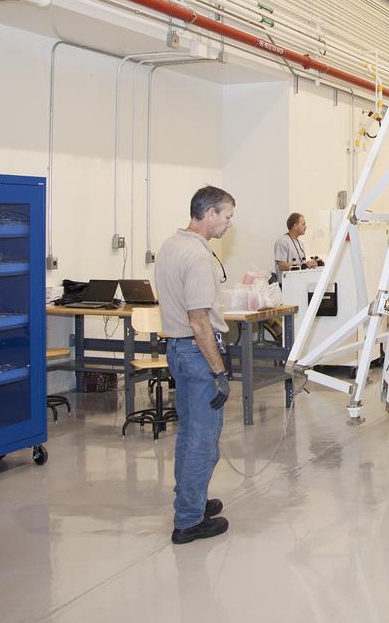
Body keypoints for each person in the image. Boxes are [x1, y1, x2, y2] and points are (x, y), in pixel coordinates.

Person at [156, 185, 235, 544]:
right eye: (227, 216)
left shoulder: (171, 246)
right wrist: (219, 371)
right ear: (208, 214)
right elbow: (200, 322)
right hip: (198, 353)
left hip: (176, 350)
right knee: (204, 438)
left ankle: (191, 499)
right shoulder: (199, 257)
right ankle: (189, 520)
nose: (229, 224)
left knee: (188, 433)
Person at [273, 211, 319, 283]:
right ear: (295, 226)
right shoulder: (282, 241)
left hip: (299, 284)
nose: (306, 227)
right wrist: (303, 265)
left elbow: (302, 265)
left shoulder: (300, 244)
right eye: (303, 224)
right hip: (286, 286)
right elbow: (281, 266)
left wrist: (311, 264)